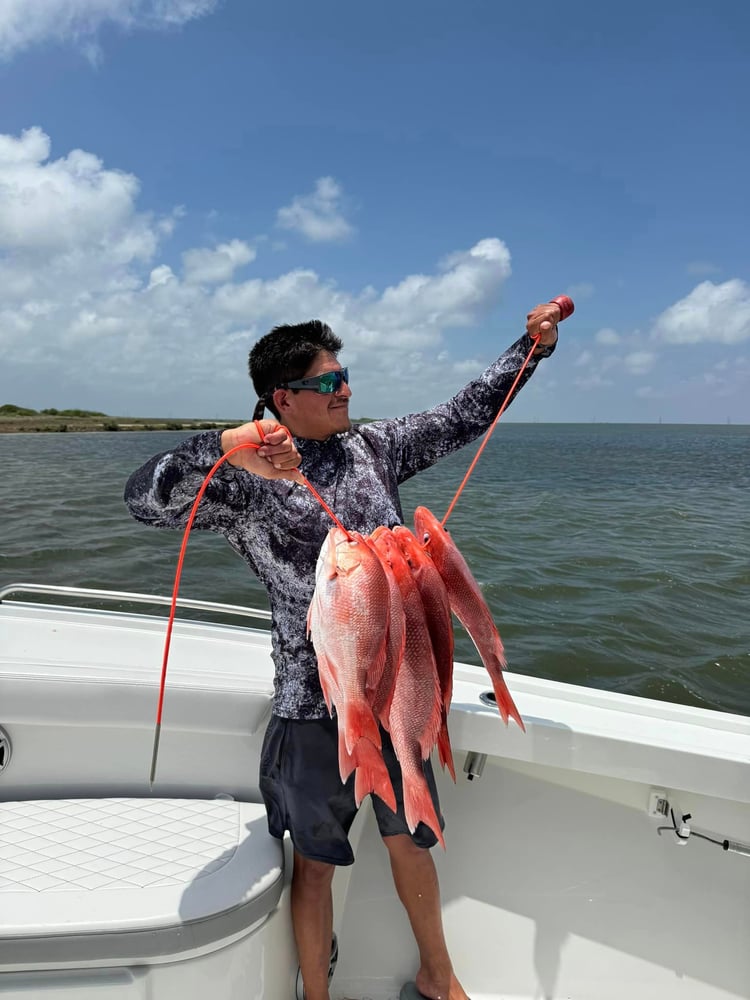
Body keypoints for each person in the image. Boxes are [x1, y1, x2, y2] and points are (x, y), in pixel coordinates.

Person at [124, 300, 564, 1000]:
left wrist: (531, 347)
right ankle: (317, 994)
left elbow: (465, 413)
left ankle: (438, 977)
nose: (347, 392)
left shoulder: (374, 447)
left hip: (398, 691)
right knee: (318, 864)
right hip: (310, 704)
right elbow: (145, 501)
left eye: (346, 377)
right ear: (283, 399)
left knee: (411, 837)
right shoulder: (246, 480)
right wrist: (230, 444)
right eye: (330, 385)